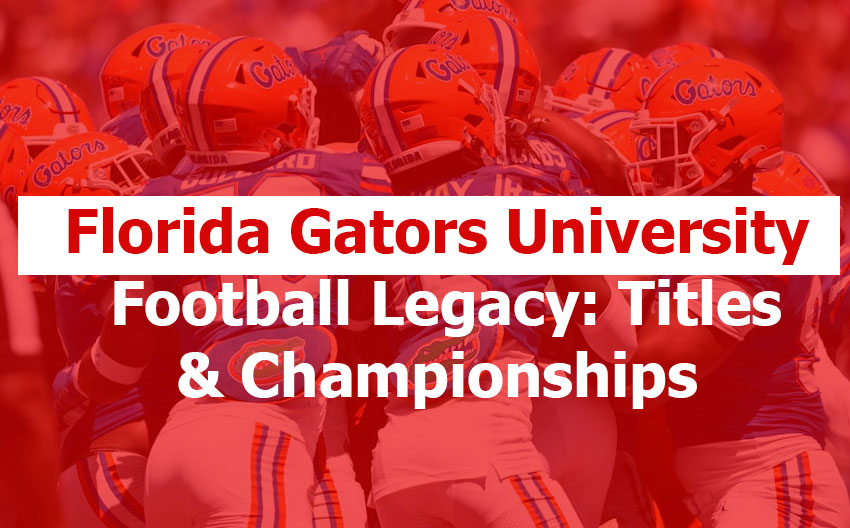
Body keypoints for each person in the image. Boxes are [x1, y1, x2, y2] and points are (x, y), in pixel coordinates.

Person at [626, 56, 850, 526]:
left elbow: (658, 368)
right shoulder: (710, 226)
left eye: (672, 139)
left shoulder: (751, 230)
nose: (652, 156)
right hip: (740, 483)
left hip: (774, 483)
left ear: (725, 144)